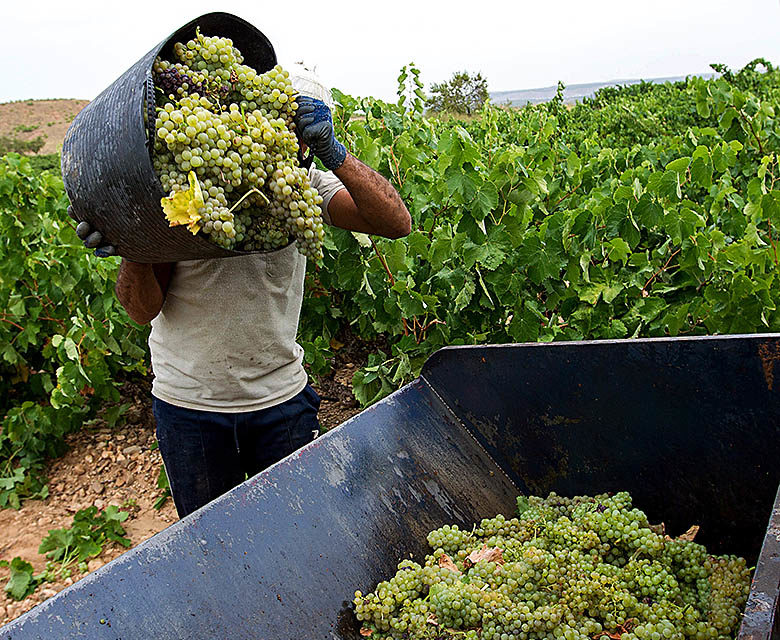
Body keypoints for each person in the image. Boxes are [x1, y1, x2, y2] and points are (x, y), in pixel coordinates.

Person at [70, 71, 411, 519]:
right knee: (210, 547)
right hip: (191, 407)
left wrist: (338, 155)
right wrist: (136, 243)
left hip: (282, 399)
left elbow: (396, 222)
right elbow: (141, 310)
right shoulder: (191, 189)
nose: (287, 143)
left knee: (298, 535)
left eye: (303, 134)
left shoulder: (304, 186)